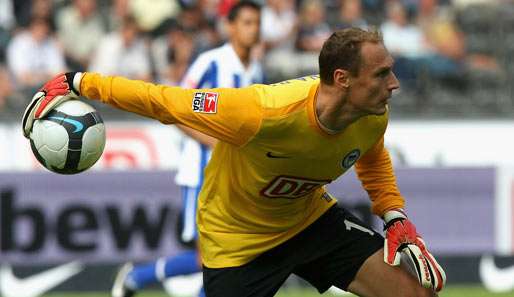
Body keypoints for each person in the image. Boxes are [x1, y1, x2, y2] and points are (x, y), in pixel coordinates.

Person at [22, 27, 446, 297]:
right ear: (342, 79)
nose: (394, 84)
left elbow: (371, 160)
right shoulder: (259, 111)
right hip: (236, 245)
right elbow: (164, 101)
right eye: (382, 74)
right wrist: (79, 81)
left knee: (414, 294)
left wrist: (393, 214)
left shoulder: (372, 114)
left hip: (309, 223)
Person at [110, 2, 263, 297]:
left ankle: (138, 277)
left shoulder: (255, 69)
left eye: (256, 22)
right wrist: (214, 142)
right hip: (202, 170)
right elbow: (175, 107)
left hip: (236, 175)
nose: (252, 29)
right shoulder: (212, 63)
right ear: (229, 27)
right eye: (246, 22)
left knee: (233, 255)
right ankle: (137, 277)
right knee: (210, 257)